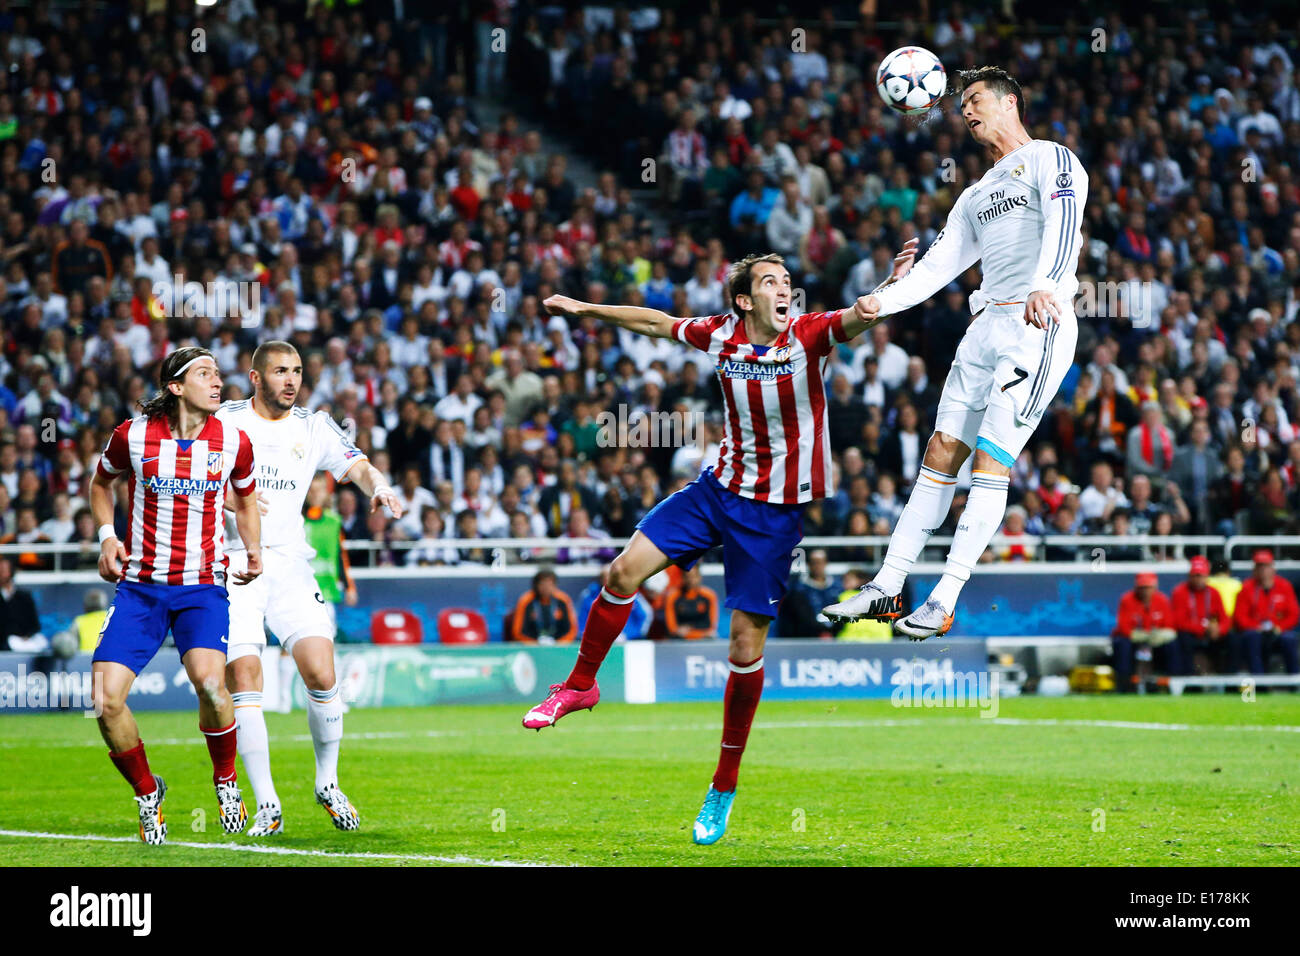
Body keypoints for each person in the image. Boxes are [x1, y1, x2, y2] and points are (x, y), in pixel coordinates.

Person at [521, 240, 915, 845]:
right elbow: (653, 321)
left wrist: (893, 288)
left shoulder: (808, 336)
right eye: (770, 282)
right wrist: (584, 309)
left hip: (773, 515)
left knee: (742, 648)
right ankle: (580, 685)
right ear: (743, 298)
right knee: (622, 574)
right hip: (716, 490)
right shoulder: (720, 334)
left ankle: (724, 784)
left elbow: (862, 316)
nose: (784, 289)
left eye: (788, 281)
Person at [825, 66, 1089, 639]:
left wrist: (1048, 281)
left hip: (1036, 322)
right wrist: (883, 300)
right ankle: (886, 587)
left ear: (1009, 102)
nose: (964, 111)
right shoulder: (975, 194)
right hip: (985, 324)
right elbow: (940, 267)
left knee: (990, 460)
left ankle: (944, 597)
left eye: (973, 99)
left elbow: (1066, 222)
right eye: (961, 104)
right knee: (942, 450)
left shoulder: (1053, 159)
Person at [216, 341, 403, 837]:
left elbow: (357, 466)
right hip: (235, 566)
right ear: (256, 378)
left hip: (291, 567)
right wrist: (235, 504)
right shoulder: (226, 422)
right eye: (280, 371)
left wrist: (379, 487)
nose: (291, 380)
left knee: (321, 672)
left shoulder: (313, 425)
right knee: (246, 677)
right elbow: (195, 478)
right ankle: (268, 804)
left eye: (297, 371)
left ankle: (327, 783)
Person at [89, 347, 262, 845]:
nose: (218, 381)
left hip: (202, 587)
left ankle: (226, 781)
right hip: (140, 588)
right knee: (103, 699)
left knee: (211, 685)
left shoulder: (232, 439)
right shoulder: (133, 435)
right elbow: (101, 484)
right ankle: (148, 795)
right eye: (205, 374)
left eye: (218, 373)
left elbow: (246, 499)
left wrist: (252, 549)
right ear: (176, 387)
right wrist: (106, 536)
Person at [1231, 550, 1300, 675]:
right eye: (1259, 566)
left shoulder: (1284, 586)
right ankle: (1259, 683)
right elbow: (1240, 617)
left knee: (1289, 639)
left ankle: (1294, 682)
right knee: (1252, 638)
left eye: (1266, 566)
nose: (1263, 570)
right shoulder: (1247, 588)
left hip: (1278, 631)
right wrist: (1256, 627)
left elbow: (1293, 615)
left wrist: (1279, 627)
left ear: (1273, 568)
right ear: (1254, 569)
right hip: (1256, 631)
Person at [1112, 572, 1176, 691]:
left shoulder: (1162, 600)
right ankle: (1125, 682)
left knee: (1172, 645)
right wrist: (1143, 636)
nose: (1145, 591)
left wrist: (1159, 636)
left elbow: (1169, 625)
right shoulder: (1127, 600)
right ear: (1136, 587)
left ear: (1155, 588)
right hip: (1134, 639)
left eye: (1148, 587)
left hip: (1156, 639)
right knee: (1122, 643)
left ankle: (1172, 680)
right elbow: (1123, 627)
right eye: (1142, 587)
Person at [1170, 556, 1231, 675]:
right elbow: (1179, 621)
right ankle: (1189, 679)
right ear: (1190, 576)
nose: (1198, 579)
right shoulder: (1180, 592)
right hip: (1191, 634)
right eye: (1195, 575)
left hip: (1210, 634)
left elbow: (1225, 618)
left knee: (1232, 639)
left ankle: (1229, 679)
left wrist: (1219, 629)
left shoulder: (1214, 593)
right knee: (1183, 638)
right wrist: (1203, 629)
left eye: (1201, 575)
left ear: (1207, 576)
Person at [577, 566, 651, 640]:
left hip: (628, 640)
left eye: (611, 576)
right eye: (604, 577)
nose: (607, 580)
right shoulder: (589, 596)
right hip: (598, 641)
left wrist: (629, 635)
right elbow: (582, 621)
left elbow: (644, 616)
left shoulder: (631, 593)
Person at [509, 567, 578, 643]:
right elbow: (517, 632)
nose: (546, 588)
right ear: (536, 585)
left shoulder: (564, 600)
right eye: (543, 584)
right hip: (532, 647)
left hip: (558, 647)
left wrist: (560, 644)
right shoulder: (525, 601)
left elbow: (572, 630)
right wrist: (534, 645)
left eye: (550, 584)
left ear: (555, 585)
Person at [663, 565, 720, 640]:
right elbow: (672, 629)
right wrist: (700, 633)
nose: (691, 580)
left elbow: (711, 628)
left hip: (704, 640)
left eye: (694, 576)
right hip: (679, 641)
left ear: (699, 577)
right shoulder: (672, 597)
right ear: (682, 578)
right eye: (687, 577)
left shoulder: (709, 596)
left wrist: (689, 631)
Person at [0, 555, 44, 651]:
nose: (2, 574)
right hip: (4, 645)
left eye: (4, 570)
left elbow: (35, 625)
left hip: (23, 643)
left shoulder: (24, 597)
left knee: (40, 643)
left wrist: (27, 636)